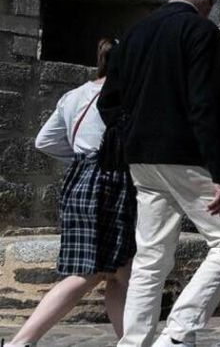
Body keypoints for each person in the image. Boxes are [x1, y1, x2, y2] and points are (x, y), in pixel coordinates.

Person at [98, 0, 220, 347]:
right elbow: (206, 105)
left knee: (151, 255)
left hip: (141, 159)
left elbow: (107, 102)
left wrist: (133, 133)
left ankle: (133, 341)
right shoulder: (202, 32)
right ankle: (178, 334)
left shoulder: (134, 33)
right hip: (186, 155)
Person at [8, 39, 136, 347]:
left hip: (78, 181)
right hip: (111, 185)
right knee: (90, 273)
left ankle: (131, 342)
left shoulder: (73, 96)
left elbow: (44, 141)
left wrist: (80, 158)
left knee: (120, 273)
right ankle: (21, 342)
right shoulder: (125, 97)